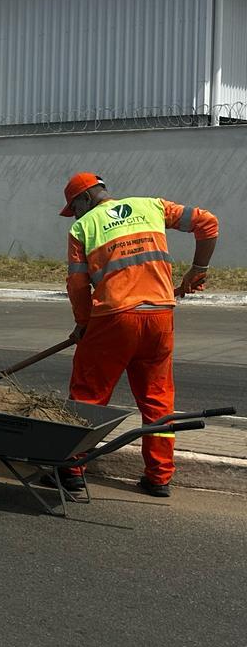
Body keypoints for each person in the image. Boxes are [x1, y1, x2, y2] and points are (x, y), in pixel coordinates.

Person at [60, 172, 218, 497]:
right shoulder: (153, 207)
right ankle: (159, 477)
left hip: (114, 318)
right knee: (158, 400)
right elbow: (208, 223)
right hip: (159, 316)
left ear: (85, 198)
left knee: (88, 395)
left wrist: (83, 323)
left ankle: (71, 472)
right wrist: (198, 270)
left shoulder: (82, 227)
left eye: (73, 207)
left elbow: (77, 285)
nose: (74, 215)